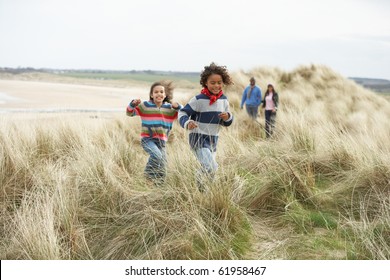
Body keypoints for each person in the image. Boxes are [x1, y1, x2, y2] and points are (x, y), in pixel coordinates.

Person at [178, 62, 234, 190]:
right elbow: (182, 112)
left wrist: (228, 117)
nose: (216, 85)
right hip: (198, 139)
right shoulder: (198, 100)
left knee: (211, 170)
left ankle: (204, 194)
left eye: (219, 82)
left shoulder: (224, 100)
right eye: (212, 83)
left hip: (213, 141)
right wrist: (187, 123)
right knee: (211, 167)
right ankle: (199, 186)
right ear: (206, 83)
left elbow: (228, 121)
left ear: (223, 82)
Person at [126, 81, 182, 184]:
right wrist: (132, 104)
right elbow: (129, 113)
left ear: (165, 95)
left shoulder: (170, 109)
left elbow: (184, 114)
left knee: (163, 167)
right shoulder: (145, 106)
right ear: (152, 95)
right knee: (157, 156)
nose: (159, 94)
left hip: (162, 142)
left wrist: (178, 107)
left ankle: (158, 187)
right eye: (156, 92)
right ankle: (148, 177)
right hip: (148, 139)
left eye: (161, 92)